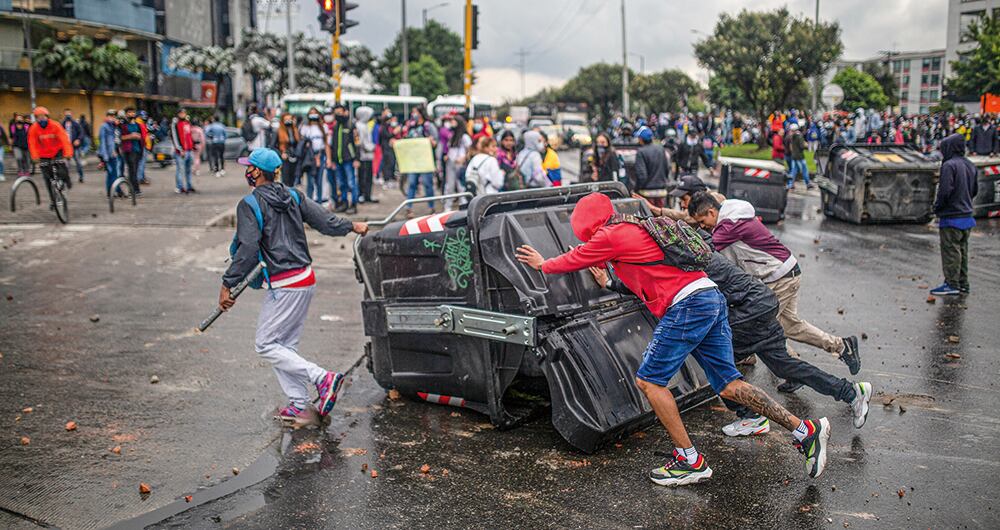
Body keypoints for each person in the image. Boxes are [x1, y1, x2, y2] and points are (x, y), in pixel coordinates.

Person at [515, 192, 832, 486]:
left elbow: (575, 259)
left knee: (650, 383)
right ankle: (805, 430)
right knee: (728, 384)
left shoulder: (610, 235)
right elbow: (618, 263)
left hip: (687, 306)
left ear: (586, 224)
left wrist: (543, 264)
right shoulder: (632, 227)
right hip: (709, 296)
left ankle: (690, 460)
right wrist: (605, 272)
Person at [588, 229, 873, 435]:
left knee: (718, 365)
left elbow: (658, 284)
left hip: (748, 312)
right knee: (786, 365)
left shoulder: (688, 261)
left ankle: (748, 415)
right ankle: (850, 392)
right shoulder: (698, 250)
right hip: (762, 304)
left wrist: (612, 284)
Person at [220, 148, 368, 428]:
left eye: (249, 167)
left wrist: (228, 283)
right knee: (283, 346)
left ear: (256, 173)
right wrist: (352, 226)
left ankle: (322, 378)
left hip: (285, 282)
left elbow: (248, 249)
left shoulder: (249, 204)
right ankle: (299, 405)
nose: (246, 171)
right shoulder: (294, 196)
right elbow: (326, 222)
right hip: (305, 278)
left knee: (266, 344)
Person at [687, 193, 861, 372]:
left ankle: (793, 372)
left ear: (711, 211)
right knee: (790, 326)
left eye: (702, 221)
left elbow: (704, 251)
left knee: (764, 326)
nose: (703, 226)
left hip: (779, 277)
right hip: (786, 272)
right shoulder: (733, 216)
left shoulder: (729, 226)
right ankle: (841, 346)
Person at [930, 133, 978, 296]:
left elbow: (944, 191)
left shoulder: (949, 165)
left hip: (952, 216)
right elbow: (975, 190)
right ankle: (963, 283)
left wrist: (937, 207)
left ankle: (951, 283)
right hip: (967, 214)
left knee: (951, 251)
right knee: (962, 251)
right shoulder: (970, 165)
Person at [27, 106, 74, 202]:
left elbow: (64, 140)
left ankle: (66, 180)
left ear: (47, 116)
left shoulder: (55, 125)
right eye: (38, 117)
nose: (41, 118)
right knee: (47, 178)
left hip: (57, 151)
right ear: (36, 118)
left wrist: (68, 153)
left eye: (43, 116)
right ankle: (53, 200)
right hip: (44, 155)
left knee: (62, 170)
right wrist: (35, 157)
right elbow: (32, 143)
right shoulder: (33, 128)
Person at [403, 106, 438, 215]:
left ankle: (431, 207)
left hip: (425, 161)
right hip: (413, 161)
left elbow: (435, 142)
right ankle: (409, 208)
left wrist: (431, 141)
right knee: (412, 183)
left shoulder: (429, 126)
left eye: (415, 112)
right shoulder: (411, 126)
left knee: (428, 184)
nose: (414, 114)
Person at [326, 104, 359, 214]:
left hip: (349, 159)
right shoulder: (336, 127)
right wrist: (333, 159)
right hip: (338, 160)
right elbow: (333, 144)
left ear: (346, 112)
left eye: (340, 112)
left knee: (351, 183)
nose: (338, 115)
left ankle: (353, 204)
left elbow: (357, 143)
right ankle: (344, 203)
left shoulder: (351, 126)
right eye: (336, 113)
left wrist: (356, 159)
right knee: (341, 183)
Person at [632, 126, 669, 206]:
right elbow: (666, 169)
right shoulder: (660, 149)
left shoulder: (641, 152)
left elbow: (642, 175)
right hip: (662, 191)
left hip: (647, 193)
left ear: (641, 139)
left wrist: (636, 190)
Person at [299, 108, 327, 203]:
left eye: (315, 113)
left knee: (319, 181)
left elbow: (326, 144)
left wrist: (329, 159)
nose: (313, 115)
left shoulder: (323, 127)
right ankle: (309, 204)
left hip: (321, 155)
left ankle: (319, 203)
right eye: (311, 113)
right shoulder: (305, 128)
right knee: (310, 182)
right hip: (309, 157)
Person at [444, 115, 471, 210]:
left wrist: (463, 158)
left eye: (453, 121)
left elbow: (469, 150)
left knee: (461, 187)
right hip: (451, 162)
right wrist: (447, 155)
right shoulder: (452, 136)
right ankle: (447, 207)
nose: (451, 123)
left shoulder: (464, 137)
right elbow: (451, 148)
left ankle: (463, 207)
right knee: (449, 186)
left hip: (460, 164)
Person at [118, 108, 146, 195]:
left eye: (133, 112)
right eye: (129, 112)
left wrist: (140, 138)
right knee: (132, 170)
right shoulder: (123, 125)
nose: (131, 114)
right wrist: (131, 136)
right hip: (128, 150)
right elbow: (120, 138)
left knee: (135, 171)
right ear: (126, 114)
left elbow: (142, 136)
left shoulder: (138, 125)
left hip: (138, 150)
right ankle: (133, 190)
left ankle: (135, 190)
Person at [354, 106, 377, 204]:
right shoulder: (359, 126)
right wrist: (371, 147)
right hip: (363, 156)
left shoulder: (365, 125)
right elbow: (361, 142)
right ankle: (361, 195)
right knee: (362, 177)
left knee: (368, 177)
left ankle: (367, 195)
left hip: (368, 156)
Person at [170, 109, 196, 194]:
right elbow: (175, 137)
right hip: (181, 151)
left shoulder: (187, 123)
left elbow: (189, 136)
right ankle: (179, 187)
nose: (183, 114)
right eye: (181, 113)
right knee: (180, 170)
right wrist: (180, 149)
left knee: (188, 170)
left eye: (184, 113)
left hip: (189, 150)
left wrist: (193, 146)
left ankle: (189, 185)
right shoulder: (175, 124)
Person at [275, 112, 303, 188]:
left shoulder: (295, 130)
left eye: (290, 119)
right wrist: (281, 153)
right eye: (286, 119)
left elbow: (298, 143)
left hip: (295, 157)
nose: (288, 121)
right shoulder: (278, 131)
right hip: (285, 158)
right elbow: (273, 146)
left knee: (294, 179)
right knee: (286, 180)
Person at [97, 109, 120, 197]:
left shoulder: (113, 126)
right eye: (110, 116)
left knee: (114, 173)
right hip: (107, 154)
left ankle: (113, 191)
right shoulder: (104, 126)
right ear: (107, 116)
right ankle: (110, 192)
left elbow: (114, 141)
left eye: (114, 116)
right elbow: (102, 142)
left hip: (113, 154)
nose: (112, 118)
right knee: (111, 174)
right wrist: (105, 157)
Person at [61, 109, 86, 183]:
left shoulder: (75, 123)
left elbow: (81, 133)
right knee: (66, 164)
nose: (68, 115)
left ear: (71, 114)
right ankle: (67, 178)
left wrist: (78, 139)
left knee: (78, 162)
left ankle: (81, 176)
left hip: (75, 147)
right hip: (66, 147)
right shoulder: (62, 124)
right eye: (66, 114)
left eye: (69, 114)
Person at [785, 123, 811, 189]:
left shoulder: (791, 136)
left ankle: (791, 184)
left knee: (793, 171)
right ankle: (808, 183)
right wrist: (806, 145)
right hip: (800, 156)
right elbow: (802, 146)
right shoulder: (799, 136)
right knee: (804, 170)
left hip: (794, 156)